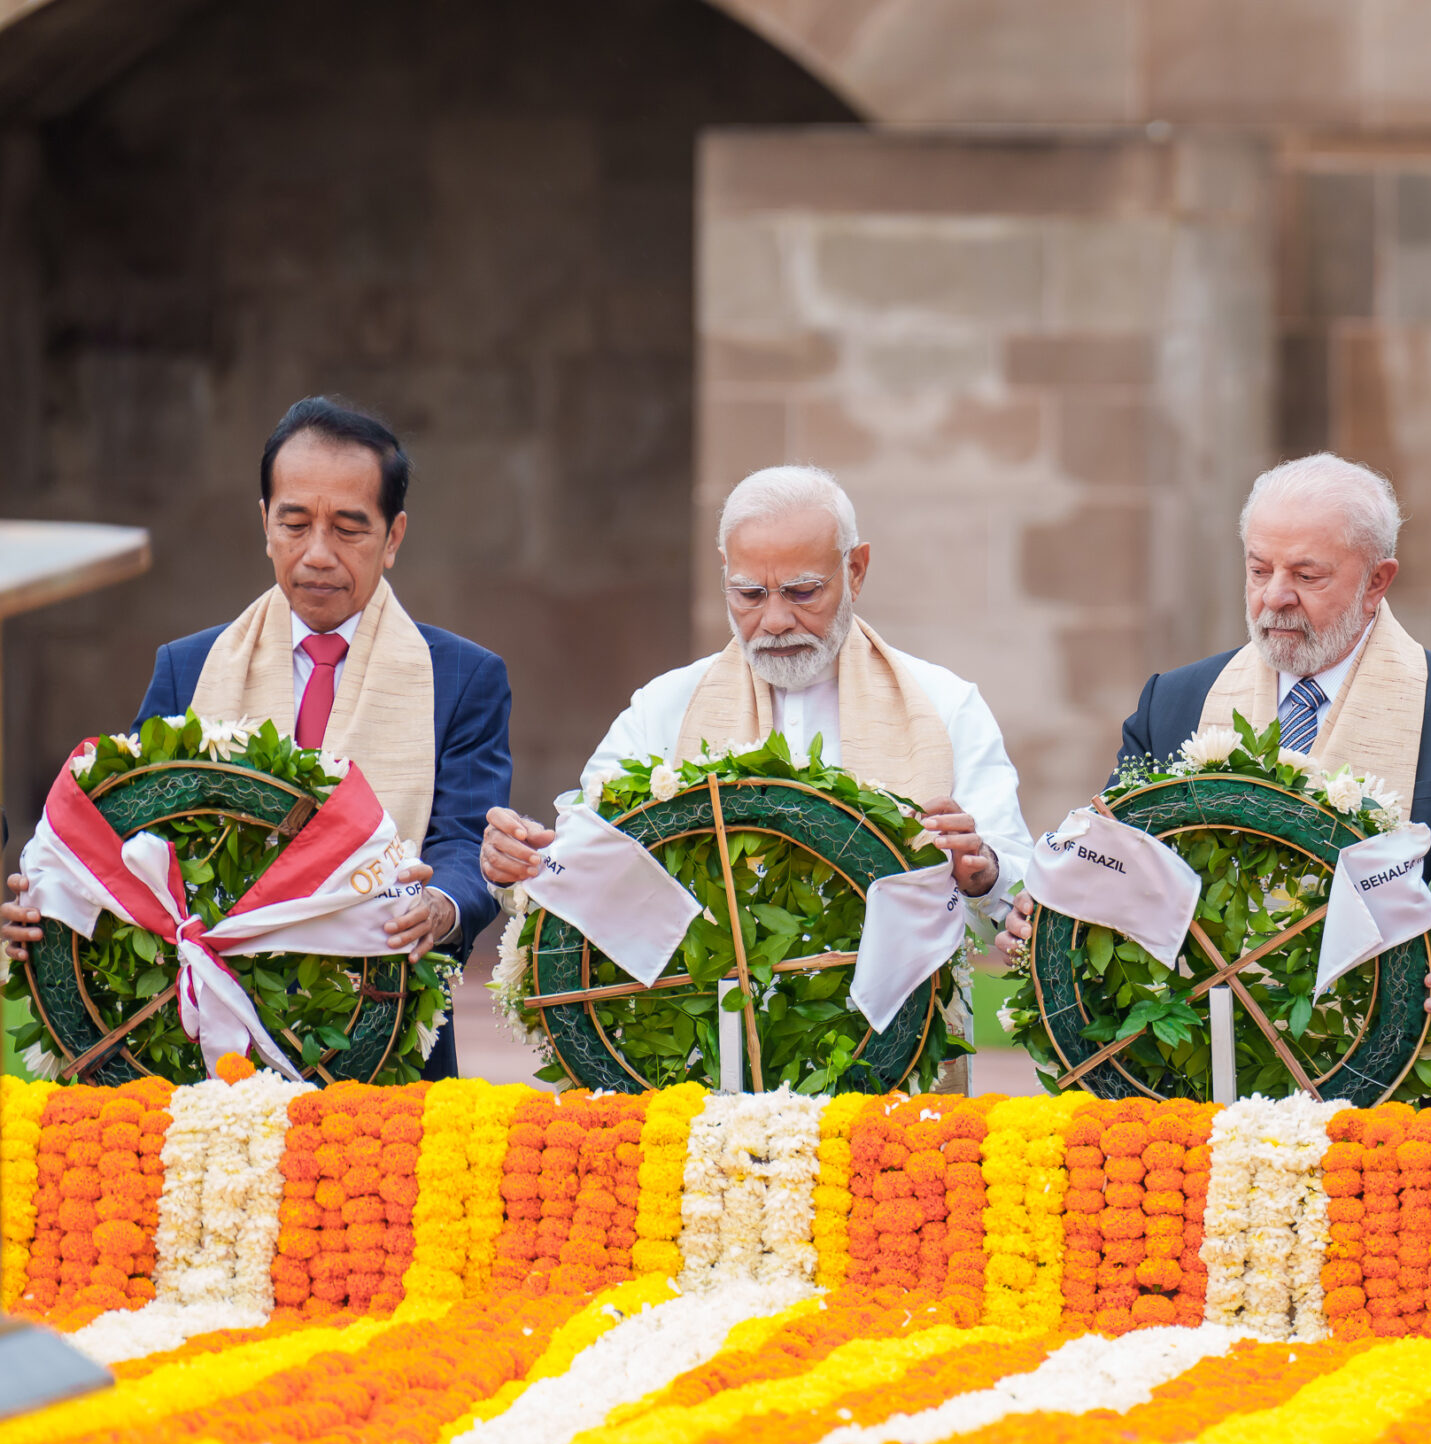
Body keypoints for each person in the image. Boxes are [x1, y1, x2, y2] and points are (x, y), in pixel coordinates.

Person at [997, 451, 1431, 1102]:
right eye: (1259, 569)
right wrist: (1053, 914)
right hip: (1197, 1088)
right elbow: (1116, 865)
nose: (1274, 596)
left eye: (1307, 574)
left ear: (1378, 580)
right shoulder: (1174, 701)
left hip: (1411, 1103)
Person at [2, 396, 512, 1079]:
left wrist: (438, 906)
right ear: (264, 524)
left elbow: (467, 840)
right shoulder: (189, 666)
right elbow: (124, 831)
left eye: (350, 529)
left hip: (386, 1037)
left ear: (393, 538)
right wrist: (50, 898)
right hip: (198, 1049)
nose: (318, 554)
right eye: (295, 523)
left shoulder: (463, 676)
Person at [479, 464, 1029, 912]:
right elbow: (588, 857)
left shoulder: (945, 704)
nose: (774, 620)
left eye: (802, 591)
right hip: (710, 1032)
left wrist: (982, 872)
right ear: (725, 573)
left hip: (899, 1041)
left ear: (856, 570)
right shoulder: (666, 707)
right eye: (748, 594)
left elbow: (1017, 890)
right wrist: (528, 856)